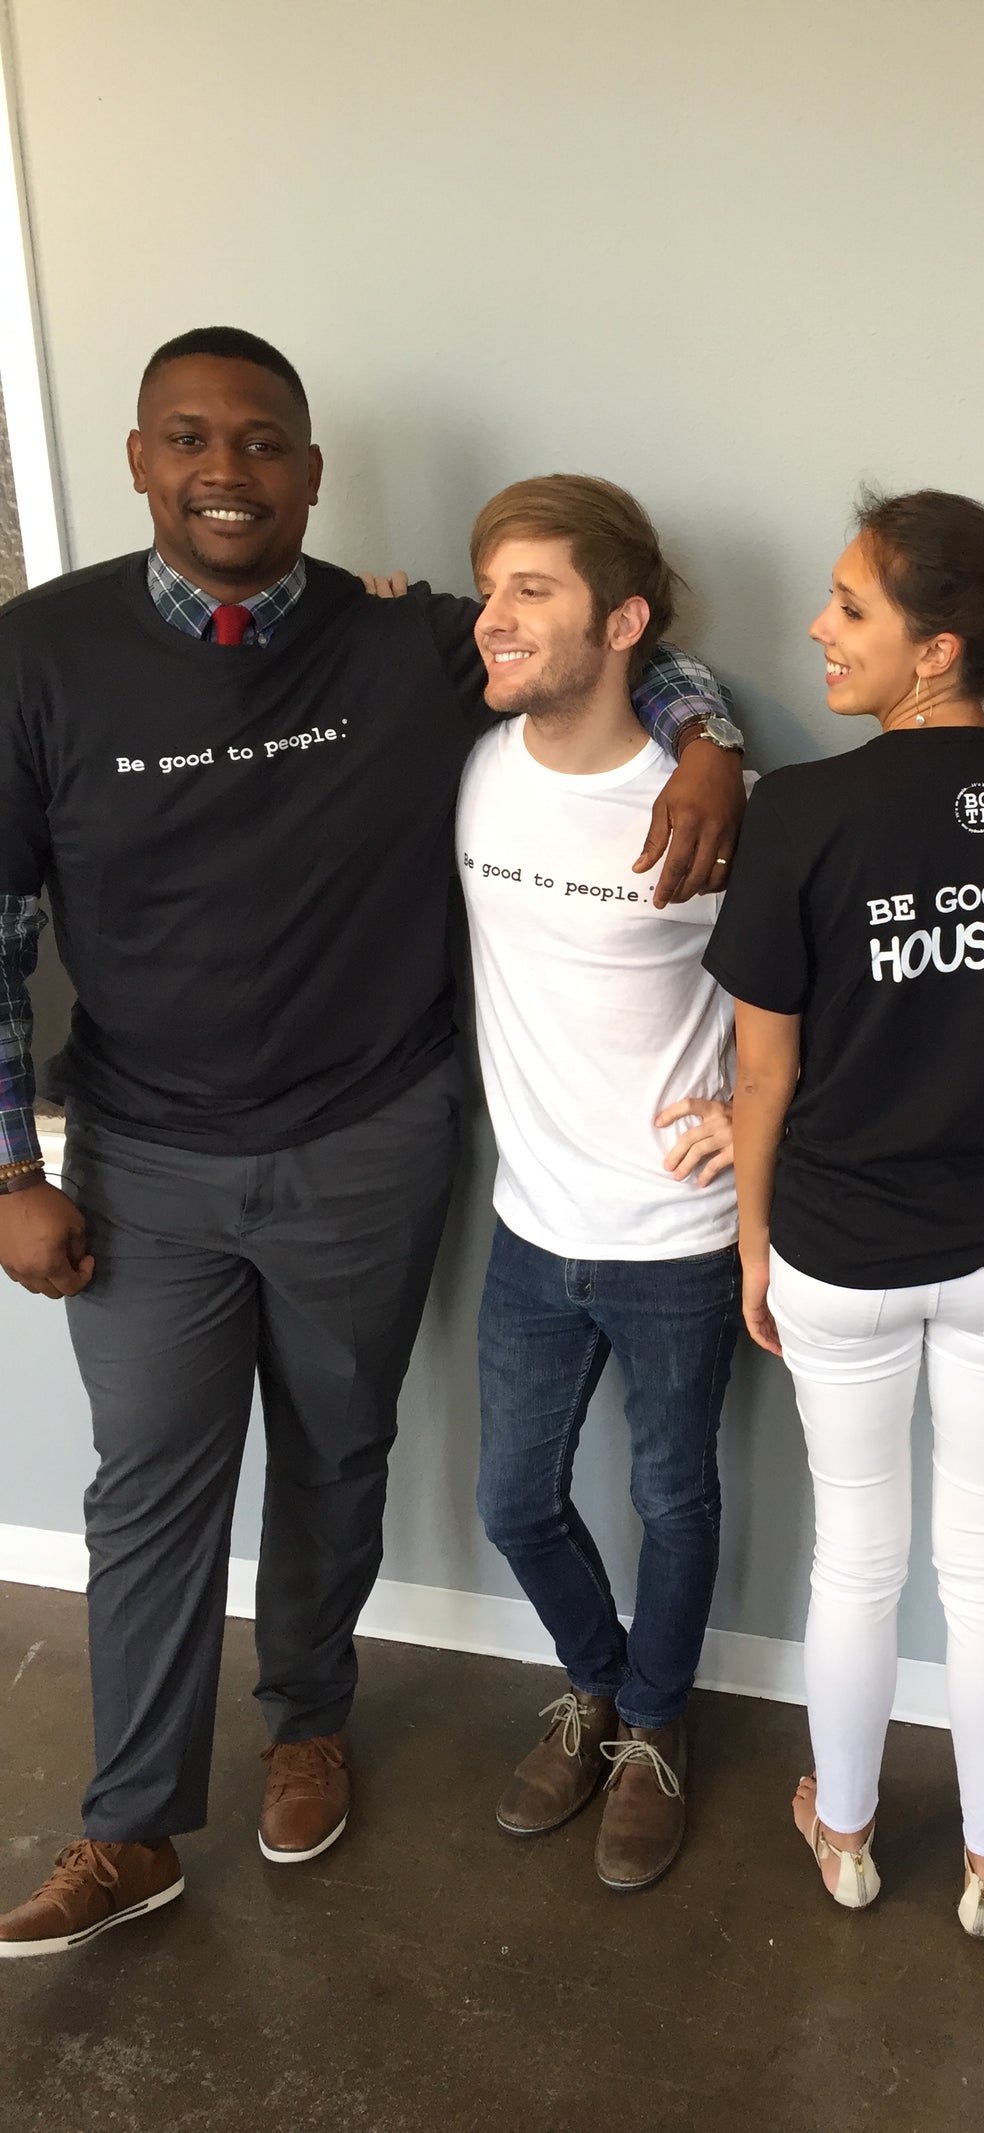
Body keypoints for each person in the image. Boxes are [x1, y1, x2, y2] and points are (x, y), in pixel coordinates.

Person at [0, 327, 746, 1958]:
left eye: (262, 442)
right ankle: (129, 1828)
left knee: (340, 1455)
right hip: (147, 1159)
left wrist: (711, 742)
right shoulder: (36, 656)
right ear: (137, 460)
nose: (224, 470)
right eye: (188, 438)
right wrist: (8, 1168)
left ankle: (309, 1721)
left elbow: (607, 652)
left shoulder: (404, 640)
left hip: (369, 1140)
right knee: (150, 1491)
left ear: (311, 471)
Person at [705, 489, 984, 1937]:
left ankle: (850, 1831)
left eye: (853, 607)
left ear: (937, 650)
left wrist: (753, 1244)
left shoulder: (803, 813)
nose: (819, 628)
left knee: (859, 1556)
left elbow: (765, 1071)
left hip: (844, 1250)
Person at [459, 475, 747, 1891]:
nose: (495, 616)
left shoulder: (704, 800)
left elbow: (807, 994)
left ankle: (652, 1725)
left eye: (534, 590)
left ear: (621, 619)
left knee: (673, 1497)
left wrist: (760, 1120)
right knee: (512, 1497)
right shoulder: (464, 757)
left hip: (680, 1236)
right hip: (527, 1228)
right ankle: (598, 1678)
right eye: (488, 584)